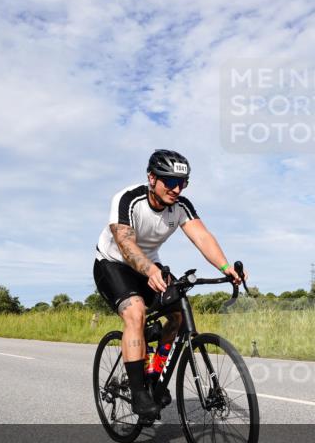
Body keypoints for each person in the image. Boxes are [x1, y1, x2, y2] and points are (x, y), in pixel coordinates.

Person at [93, 149, 245, 420]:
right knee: (135, 312)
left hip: (149, 265)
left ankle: (154, 373)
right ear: (152, 178)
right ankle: (139, 393)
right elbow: (126, 243)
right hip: (113, 263)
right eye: (170, 182)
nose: (177, 189)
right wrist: (150, 269)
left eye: (183, 183)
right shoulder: (129, 199)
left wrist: (226, 267)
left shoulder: (181, 206)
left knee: (177, 314)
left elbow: (202, 237)